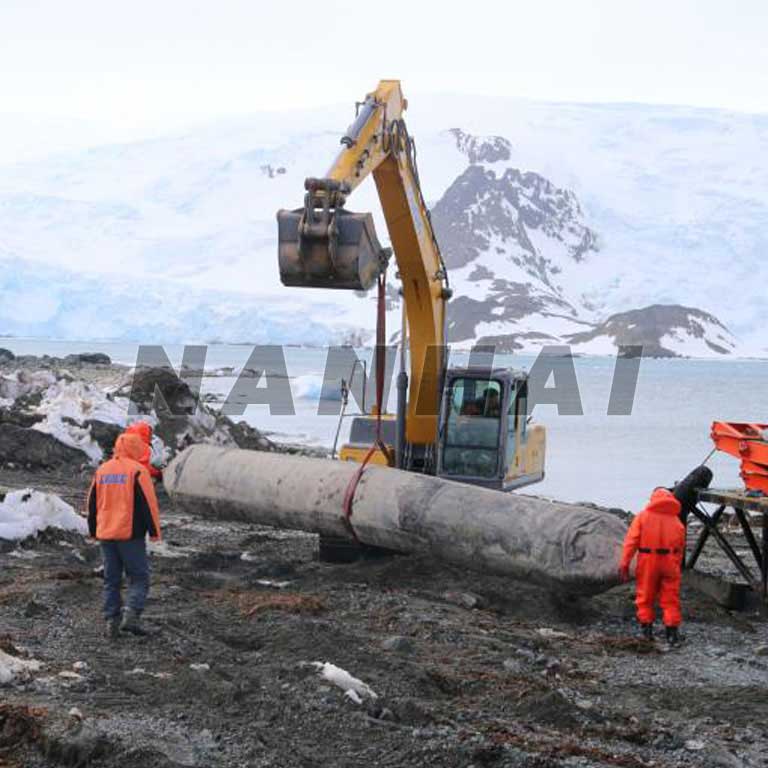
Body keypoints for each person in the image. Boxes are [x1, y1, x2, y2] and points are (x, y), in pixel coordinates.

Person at [86, 432, 162, 638]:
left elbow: (92, 503)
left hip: (106, 534)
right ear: (136, 448)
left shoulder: (102, 470)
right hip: (130, 535)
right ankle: (131, 616)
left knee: (111, 579)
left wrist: (93, 530)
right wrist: (154, 532)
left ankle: (112, 622)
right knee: (139, 577)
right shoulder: (138, 471)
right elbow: (148, 504)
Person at [619, 488, 685, 646]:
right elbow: (680, 548)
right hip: (669, 561)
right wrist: (675, 565)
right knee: (670, 599)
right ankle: (672, 635)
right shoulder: (677, 521)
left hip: (649, 560)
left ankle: (647, 632)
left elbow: (631, 542)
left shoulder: (643, 517)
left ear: (653, 499)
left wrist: (625, 563)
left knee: (645, 596)